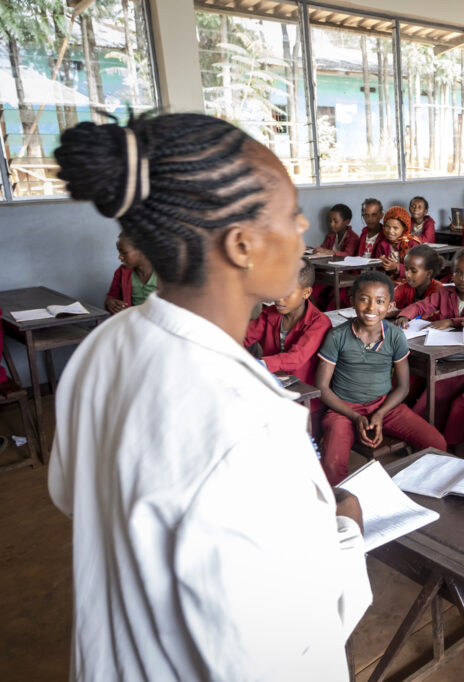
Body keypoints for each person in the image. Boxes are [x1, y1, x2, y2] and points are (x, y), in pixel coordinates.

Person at [49, 113, 370, 678]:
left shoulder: (106, 345)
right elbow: (291, 633)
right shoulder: (250, 422)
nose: (302, 229)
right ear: (243, 244)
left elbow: (73, 494)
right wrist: (346, 529)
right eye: (292, 214)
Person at [316, 271, 446, 484]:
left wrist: (380, 413)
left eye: (379, 301)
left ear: (390, 306)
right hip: (343, 409)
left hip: (386, 406)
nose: (371, 308)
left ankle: (413, 494)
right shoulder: (337, 336)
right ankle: (343, 510)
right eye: (364, 299)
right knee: (332, 466)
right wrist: (356, 417)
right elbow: (322, 387)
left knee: (436, 444)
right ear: (352, 301)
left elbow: (403, 387)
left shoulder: (395, 336)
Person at [395, 248, 464, 445]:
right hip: (438, 352)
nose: (462, 278)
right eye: (457, 272)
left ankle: (421, 433)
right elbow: (422, 306)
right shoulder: (445, 292)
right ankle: (401, 421)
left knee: (435, 391)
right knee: (409, 377)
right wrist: (405, 315)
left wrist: (451, 322)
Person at [244, 261, 331, 387]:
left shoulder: (319, 323)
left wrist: (260, 364)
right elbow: (244, 335)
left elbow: (296, 358)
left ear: (306, 293)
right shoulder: (269, 314)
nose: (279, 298)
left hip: (303, 393)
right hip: (272, 384)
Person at [104, 231, 156, 313]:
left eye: (124, 253)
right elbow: (112, 296)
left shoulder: (165, 273)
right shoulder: (121, 272)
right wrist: (110, 302)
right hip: (133, 319)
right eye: (119, 252)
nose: (120, 257)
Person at [393, 244, 443, 310]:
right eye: (406, 269)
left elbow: (424, 313)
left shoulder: (438, 290)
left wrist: (402, 313)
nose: (408, 275)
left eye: (413, 271)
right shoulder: (404, 287)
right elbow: (387, 302)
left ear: (428, 273)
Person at [377, 206, 421, 281]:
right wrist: (381, 263)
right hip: (388, 282)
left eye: (395, 228)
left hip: (410, 282)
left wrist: (396, 266)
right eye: (387, 226)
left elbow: (417, 269)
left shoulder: (412, 244)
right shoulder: (383, 244)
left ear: (404, 228)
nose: (390, 231)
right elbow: (379, 269)